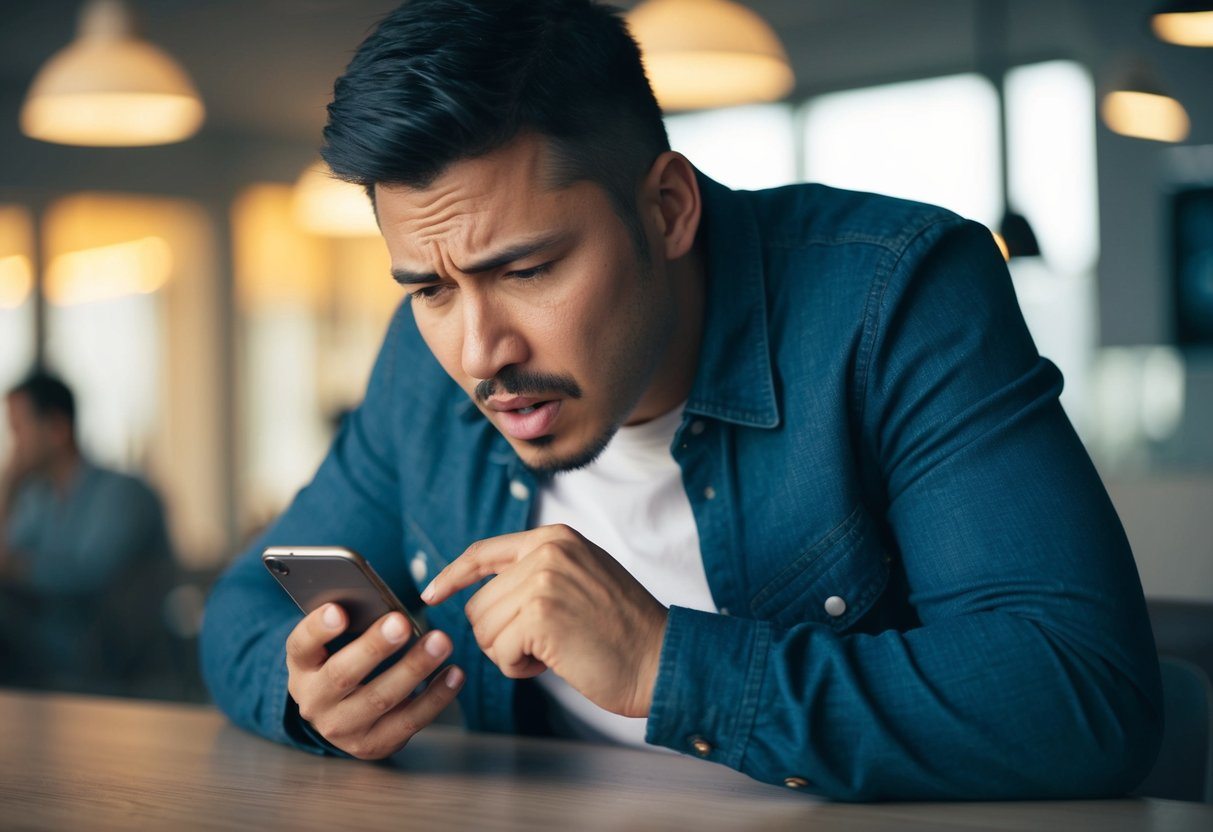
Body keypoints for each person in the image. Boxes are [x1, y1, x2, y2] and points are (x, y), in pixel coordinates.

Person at [200, 0, 1162, 800]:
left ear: (665, 210)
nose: (479, 351)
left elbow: (1082, 690)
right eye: (430, 289)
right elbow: (243, 605)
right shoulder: (425, 363)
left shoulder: (893, 298)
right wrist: (311, 699)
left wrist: (667, 665)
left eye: (527, 268)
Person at [0, 371, 173, 691]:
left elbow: (89, 576)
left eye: (18, 429)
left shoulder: (123, 493)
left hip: (102, 655)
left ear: (57, 429)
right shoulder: (39, 499)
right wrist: (8, 491)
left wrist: (17, 566)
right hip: (46, 646)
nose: (14, 445)